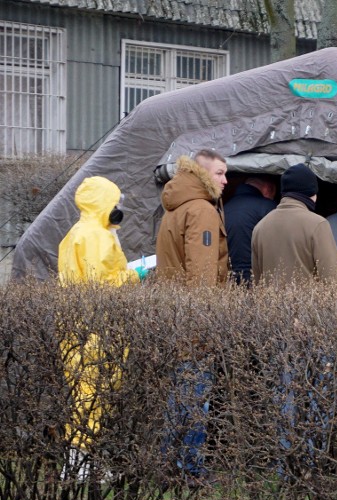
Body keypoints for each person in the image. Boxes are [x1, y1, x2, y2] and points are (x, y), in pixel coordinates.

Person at [57, 176, 146, 480]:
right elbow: (103, 285)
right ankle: (81, 465)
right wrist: (136, 275)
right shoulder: (98, 237)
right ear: (104, 203)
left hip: (77, 323)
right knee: (93, 394)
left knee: (84, 392)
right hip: (97, 324)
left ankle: (82, 462)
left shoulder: (76, 233)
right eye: (116, 201)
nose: (120, 207)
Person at [251, 163, 337, 284]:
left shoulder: (260, 227)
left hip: (269, 303)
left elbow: (257, 281)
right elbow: (333, 279)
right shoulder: (318, 224)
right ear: (312, 193)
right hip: (308, 302)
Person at [156, 149, 229, 286]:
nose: (225, 180)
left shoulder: (177, 206)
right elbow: (202, 272)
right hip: (192, 304)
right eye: (219, 173)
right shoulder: (202, 211)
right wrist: (203, 306)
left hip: (173, 299)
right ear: (202, 173)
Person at [224, 176, 277, 285]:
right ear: (268, 189)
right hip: (258, 280)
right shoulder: (269, 207)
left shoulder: (224, 208)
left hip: (229, 280)